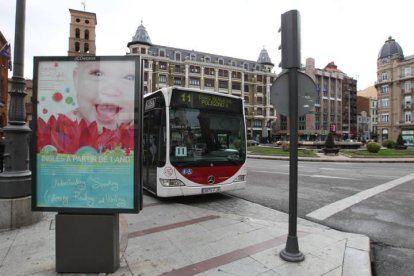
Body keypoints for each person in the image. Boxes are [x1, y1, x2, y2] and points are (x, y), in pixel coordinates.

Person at [70, 60, 136, 132]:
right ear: (76, 79)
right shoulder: (60, 126)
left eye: (129, 78)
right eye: (97, 74)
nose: (110, 92)